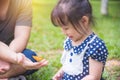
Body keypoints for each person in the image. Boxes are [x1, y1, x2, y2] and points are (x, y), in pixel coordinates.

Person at [51, 0, 108, 80]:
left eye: (66, 28)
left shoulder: (95, 46)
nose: (63, 32)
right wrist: (60, 73)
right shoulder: (70, 40)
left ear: (84, 21)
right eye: (61, 28)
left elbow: (94, 77)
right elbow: (69, 65)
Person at [0, 0, 48, 80]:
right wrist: (13, 58)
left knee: (30, 57)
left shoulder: (23, 2)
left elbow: (21, 37)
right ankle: (5, 75)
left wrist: (9, 58)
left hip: (11, 50)